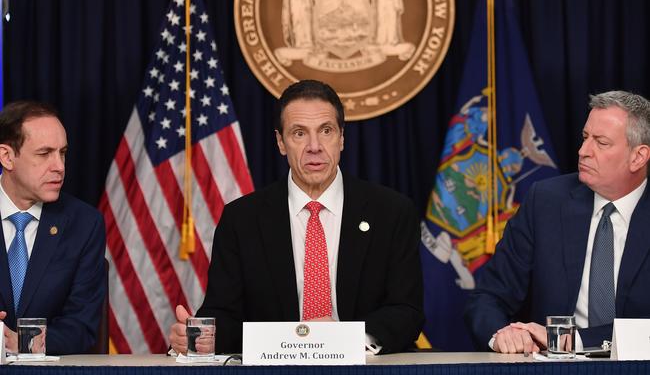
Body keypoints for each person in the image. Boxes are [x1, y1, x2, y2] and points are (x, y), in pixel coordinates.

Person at [169, 80, 423, 354]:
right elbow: (224, 313)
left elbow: (407, 310)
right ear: (281, 142)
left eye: (326, 131)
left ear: (341, 138)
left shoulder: (392, 212)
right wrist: (200, 336)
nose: (314, 146)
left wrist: (344, 339)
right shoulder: (241, 219)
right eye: (299, 133)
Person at [464, 90, 650, 353]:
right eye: (585, 137)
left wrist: (575, 340)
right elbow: (488, 296)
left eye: (602, 143)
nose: (583, 151)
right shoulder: (545, 201)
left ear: (638, 157)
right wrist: (502, 336)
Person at [0, 101, 106, 355]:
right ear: (7, 157)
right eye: (44, 153)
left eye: (63, 153)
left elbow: (81, 326)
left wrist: (15, 342)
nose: (59, 166)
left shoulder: (84, 223)